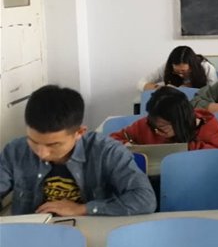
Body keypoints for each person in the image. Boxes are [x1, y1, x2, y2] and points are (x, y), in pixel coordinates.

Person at [0, 85, 156, 216]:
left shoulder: (106, 151)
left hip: (90, 234)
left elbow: (145, 200)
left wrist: (83, 209)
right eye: (33, 141)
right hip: (32, 233)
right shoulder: (15, 150)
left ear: (79, 132)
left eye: (53, 145)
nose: (42, 153)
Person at [111, 86, 218, 150]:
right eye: (154, 124)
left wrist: (185, 148)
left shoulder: (208, 127)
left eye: (162, 127)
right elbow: (113, 139)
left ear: (179, 122)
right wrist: (127, 146)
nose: (156, 131)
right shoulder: (149, 123)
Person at [137, 45, 217, 92]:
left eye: (184, 71)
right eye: (176, 72)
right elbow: (141, 83)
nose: (181, 75)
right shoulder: (167, 67)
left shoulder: (206, 67)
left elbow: (214, 92)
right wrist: (159, 88)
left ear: (192, 66)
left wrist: (188, 89)